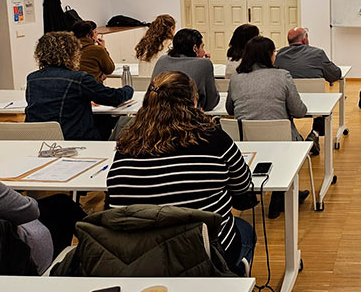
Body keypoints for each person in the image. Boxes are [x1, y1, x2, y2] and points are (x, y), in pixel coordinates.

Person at [108, 71, 256, 272]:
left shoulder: (126, 145)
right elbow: (242, 185)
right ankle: (232, 284)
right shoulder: (214, 138)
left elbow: (112, 200)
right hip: (204, 256)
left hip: (138, 258)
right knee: (245, 229)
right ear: (193, 102)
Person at [226, 36, 310, 218]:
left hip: (245, 141)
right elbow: (299, 111)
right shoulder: (282, 75)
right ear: (269, 55)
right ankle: (279, 197)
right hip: (282, 141)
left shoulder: (236, 78)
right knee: (293, 142)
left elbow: (229, 109)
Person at [26, 32, 133, 140]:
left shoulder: (32, 79)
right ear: (73, 53)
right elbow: (113, 98)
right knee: (120, 120)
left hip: (40, 139)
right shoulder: (79, 79)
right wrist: (128, 89)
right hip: (76, 138)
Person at [275, 26, 342, 156]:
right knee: (324, 99)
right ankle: (315, 133)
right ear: (305, 40)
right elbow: (335, 74)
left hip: (287, 103)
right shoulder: (318, 54)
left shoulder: (279, 55)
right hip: (315, 104)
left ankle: (293, 133)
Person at [0, 180, 85, 274]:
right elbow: (31, 210)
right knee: (65, 208)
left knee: (60, 202)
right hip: (21, 260)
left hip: (4, 262)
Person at [152, 28, 219, 111]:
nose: (204, 52)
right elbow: (211, 103)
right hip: (186, 117)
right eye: (202, 47)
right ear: (195, 48)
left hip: (157, 115)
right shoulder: (204, 64)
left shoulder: (162, 60)